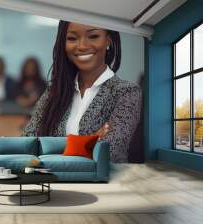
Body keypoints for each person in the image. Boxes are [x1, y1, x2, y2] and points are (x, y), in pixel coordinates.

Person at [22, 21, 142, 163]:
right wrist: (90, 140)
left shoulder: (126, 92)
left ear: (108, 40)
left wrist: (50, 147)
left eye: (93, 36)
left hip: (103, 183)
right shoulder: (53, 92)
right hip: (55, 181)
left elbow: (109, 151)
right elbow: (26, 143)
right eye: (72, 38)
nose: (82, 46)